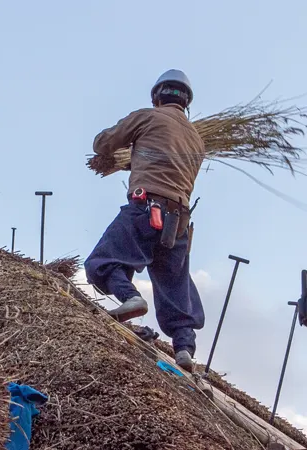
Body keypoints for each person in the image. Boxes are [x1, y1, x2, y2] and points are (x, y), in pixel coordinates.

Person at [84, 69, 206, 372]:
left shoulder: (148, 117)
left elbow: (103, 143)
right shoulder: (197, 141)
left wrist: (121, 153)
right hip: (178, 221)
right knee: (175, 286)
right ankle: (184, 347)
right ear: (186, 102)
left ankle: (131, 297)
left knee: (103, 261)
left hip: (146, 207)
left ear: (157, 96)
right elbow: (167, 164)